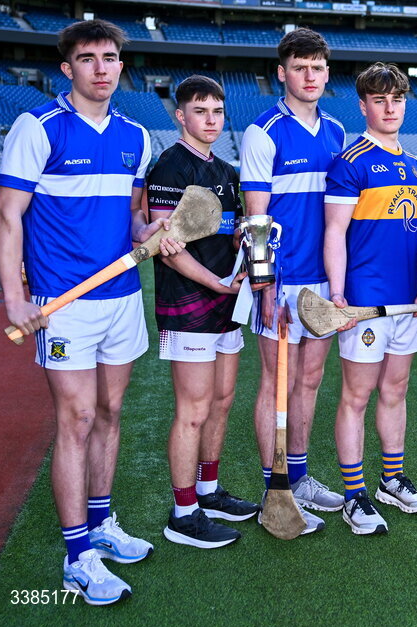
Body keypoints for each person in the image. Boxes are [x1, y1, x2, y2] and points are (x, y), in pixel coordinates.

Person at [0, 20, 181, 605]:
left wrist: (148, 229)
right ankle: (78, 557)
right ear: (67, 68)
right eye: (87, 58)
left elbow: (130, 219)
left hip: (121, 298)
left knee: (110, 411)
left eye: (110, 57)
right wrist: (16, 298)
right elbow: (6, 218)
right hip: (62, 306)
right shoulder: (39, 128)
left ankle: (101, 523)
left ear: (121, 66)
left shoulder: (134, 137)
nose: (101, 67)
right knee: (74, 420)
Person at [324, 62, 417, 535]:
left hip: (408, 303)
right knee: (356, 395)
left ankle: (392, 479)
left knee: (395, 392)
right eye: (379, 100)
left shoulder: (415, 165)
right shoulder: (350, 162)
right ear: (363, 106)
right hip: (365, 302)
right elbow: (334, 232)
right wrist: (337, 295)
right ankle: (354, 495)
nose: (389, 108)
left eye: (397, 99)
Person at [147, 75, 261, 549]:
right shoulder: (170, 167)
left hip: (227, 304)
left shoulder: (228, 172)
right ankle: (183, 512)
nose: (210, 120)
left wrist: (244, 241)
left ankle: (209, 492)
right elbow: (166, 246)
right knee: (192, 410)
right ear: (181, 116)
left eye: (217, 111)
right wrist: (216, 283)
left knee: (220, 401)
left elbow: (228, 233)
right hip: (190, 305)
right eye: (200, 111)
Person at [239, 27, 345, 531]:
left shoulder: (338, 131)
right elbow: (255, 216)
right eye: (300, 68)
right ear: (282, 73)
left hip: (323, 282)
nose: (310, 76)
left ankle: (299, 477)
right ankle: (274, 487)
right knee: (274, 383)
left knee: (310, 380)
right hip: (281, 283)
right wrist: (262, 287)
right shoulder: (264, 131)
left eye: (318, 68)